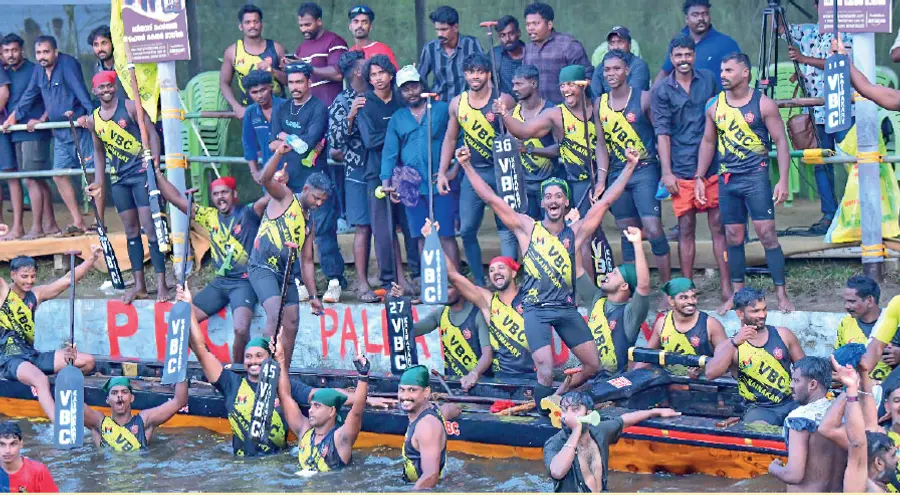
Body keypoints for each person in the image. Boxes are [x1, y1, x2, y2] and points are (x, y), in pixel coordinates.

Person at [453, 144, 640, 411]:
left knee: (592, 364)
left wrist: (631, 166)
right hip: (535, 311)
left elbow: (607, 201)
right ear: (542, 202)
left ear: (566, 202)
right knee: (545, 371)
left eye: (558, 196)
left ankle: (559, 398)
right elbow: (492, 199)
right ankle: (543, 415)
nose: (553, 200)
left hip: (565, 308)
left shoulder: (575, 233)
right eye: (548, 196)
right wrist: (467, 166)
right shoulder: (527, 228)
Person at [695, 53, 794, 314]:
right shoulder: (713, 106)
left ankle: (781, 294)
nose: (723, 75)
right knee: (733, 236)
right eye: (722, 70)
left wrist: (783, 180)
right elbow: (708, 142)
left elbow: (781, 142)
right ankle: (737, 296)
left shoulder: (764, 105)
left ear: (745, 73)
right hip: (728, 180)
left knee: (767, 235)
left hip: (756, 178)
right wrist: (699, 177)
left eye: (728, 70)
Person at [155, 171, 268, 363]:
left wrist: (279, 180)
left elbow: (270, 198)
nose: (220, 197)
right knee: (184, 322)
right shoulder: (209, 216)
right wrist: (157, 173)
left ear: (234, 194)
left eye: (224, 192)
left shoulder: (248, 213)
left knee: (241, 329)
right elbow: (175, 198)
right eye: (215, 194)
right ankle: (210, 362)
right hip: (220, 282)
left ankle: (239, 371)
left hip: (245, 282)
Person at [651, 35, 731, 304]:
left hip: (712, 164)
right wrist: (666, 172)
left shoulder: (708, 79)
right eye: (678, 56)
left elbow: (719, 116)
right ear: (670, 58)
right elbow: (662, 133)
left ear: (694, 55)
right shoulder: (661, 90)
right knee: (685, 228)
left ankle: (726, 285)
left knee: (718, 225)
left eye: (688, 55)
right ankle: (686, 287)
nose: (683, 60)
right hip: (681, 167)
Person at [84, 71, 169, 304]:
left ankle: (162, 283)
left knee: (150, 230)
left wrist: (155, 163)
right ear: (95, 91)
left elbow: (153, 134)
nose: (106, 90)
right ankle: (140, 285)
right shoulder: (94, 120)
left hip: (141, 175)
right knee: (131, 233)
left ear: (115, 87)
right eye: (101, 88)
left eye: (109, 86)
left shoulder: (131, 107)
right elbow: (99, 153)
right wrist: (98, 183)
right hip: (119, 180)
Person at [437, 54, 517, 284]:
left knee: (508, 229)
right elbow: (451, 138)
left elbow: (517, 132)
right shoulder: (457, 103)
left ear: (489, 74)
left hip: (502, 172)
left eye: (480, 71)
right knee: (468, 229)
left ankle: (506, 282)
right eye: (471, 71)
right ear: (464, 74)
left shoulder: (503, 99)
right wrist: (443, 172)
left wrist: (505, 113)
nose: (475, 76)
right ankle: (480, 283)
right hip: (473, 174)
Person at [250, 143, 331, 369]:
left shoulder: (309, 221)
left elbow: (306, 261)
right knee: (275, 314)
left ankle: (282, 372)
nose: (318, 203)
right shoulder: (285, 196)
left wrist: (314, 295)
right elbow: (265, 180)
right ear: (305, 189)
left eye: (322, 201)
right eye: (316, 197)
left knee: (293, 321)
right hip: (262, 267)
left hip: (285, 274)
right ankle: (263, 368)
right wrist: (277, 153)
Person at [3, 35, 94, 235]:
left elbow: (80, 91)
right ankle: (78, 221)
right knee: (58, 175)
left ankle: (99, 222)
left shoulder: (67, 64)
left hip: (79, 129)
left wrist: (90, 116)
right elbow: (30, 95)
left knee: (92, 174)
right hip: (59, 132)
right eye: (39, 53)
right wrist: (13, 118)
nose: (42, 57)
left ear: (55, 52)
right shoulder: (38, 70)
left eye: (46, 52)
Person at [596, 50, 671, 293]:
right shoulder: (599, 103)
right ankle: (633, 288)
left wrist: (666, 171)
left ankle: (667, 287)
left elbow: (661, 134)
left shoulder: (644, 98)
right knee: (627, 232)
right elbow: (601, 144)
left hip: (644, 169)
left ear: (627, 70)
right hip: (618, 174)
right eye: (607, 70)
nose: (611, 74)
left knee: (653, 229)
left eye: (616, 69)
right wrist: (601, 179)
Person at [270, 62, 345, 303]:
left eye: (299, 82)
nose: (295, 87)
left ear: (309, 82)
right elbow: (272, 142)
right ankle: (298, 281)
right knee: (292, 234)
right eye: (291, 82)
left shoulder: (318, 108)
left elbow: (307, 144)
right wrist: (285, 140)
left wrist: (285, 137)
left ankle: (334, 282)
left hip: (315, 183)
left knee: (323, 232)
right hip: (288, 183)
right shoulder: (281, 109)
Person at [0, 249, 101, 420]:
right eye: (24, 276)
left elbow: (68, 279)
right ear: (13, 275)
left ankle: (41, 386)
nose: (29, 281)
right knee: (41, 380)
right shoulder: (3, 293)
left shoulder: (36, 294)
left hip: (32, 355)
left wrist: (91, 259)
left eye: (33, 276)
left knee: (87, 362)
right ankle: (58, 423)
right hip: (11, 359)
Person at [496, 65, 603, 219]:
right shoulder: (556, 114)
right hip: (579, 181)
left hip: (608, 175)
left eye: (571, 84)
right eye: (562, 85)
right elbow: (523, 131)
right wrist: (505, 114)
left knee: (628, 225)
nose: (565, 89)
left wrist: (602, 178)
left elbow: (602, 145)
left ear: (585, 84)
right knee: (584, 229)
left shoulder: (600, 106)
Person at [381, 65, 459, 272]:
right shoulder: (398, 118)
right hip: (411, 185)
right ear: (400, 92)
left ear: (422, 85)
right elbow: (389, 153)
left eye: (414, 86)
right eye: (405, 89)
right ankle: (430, 285)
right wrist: (386, 183)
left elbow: (459, 140)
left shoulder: (440, 109)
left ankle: (457, 285)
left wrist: (454, 170)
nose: (411, 92)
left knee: (446, 234)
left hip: (439, 181)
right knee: (421, 235)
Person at [432, 219, 533, 378]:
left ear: (514, 273)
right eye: (491, 270)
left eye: (501, 267)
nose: (495, 272)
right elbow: (453, 276)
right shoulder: (488, 302)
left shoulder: (529, 295)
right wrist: (433, 239)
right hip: (503, 376)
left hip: (534, 373)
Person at [786, 0, 854, 235]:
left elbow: (842, 63)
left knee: (850, 161)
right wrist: (774, 8)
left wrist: (804, 59)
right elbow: (780, 27)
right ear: (816, 7)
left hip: (843, 107)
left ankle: (855, 214)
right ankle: (829, 214)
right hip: (815, 110)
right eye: (822, 4)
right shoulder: (809, 31)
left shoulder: (849, 30)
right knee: (820, 163)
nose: (828, 8)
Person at [705, 288, 805, 425]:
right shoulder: (729, 345)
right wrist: (734, 343)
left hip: (790, 402)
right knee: (760, 431)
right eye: (755, 311)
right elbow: (710, 373)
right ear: (740, 314)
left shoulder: (784, 334)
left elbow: (805, 369)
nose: (762, 314)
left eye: (764, 309)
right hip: (758, 409)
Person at [357, 56, 414, 295]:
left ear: (391, 74)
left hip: (406, 172)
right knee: (383, 230)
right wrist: (398, 135)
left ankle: (414, 276)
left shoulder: (402, 100)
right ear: (368, 79)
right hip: (376, 174)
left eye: (382, 73)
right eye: (373, 75)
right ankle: (390, 280)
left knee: (410, 226)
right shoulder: (365, 104)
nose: (378, 78)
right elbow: (369, 140)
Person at [543, 391, 679, 492]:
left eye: (575, 410)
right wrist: (576, 430)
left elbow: (623, 420)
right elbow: (557, 472)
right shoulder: (554, 444)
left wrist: (655, 412)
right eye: (564, 411)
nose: (567, 416)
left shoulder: (599, 432)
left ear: (589, 414)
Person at [276, 333, 369, 472]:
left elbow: (356, 412)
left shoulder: (340, 439)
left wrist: (363, 376)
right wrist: (280, 360)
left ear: (332, 411)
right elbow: (285, 396)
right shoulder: (304, 432)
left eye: (317, 406)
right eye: (312, 405)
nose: (310, 410)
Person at [389, 270, 494, 389]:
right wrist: (402, 301)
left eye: (449, 287)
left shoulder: (478, 314)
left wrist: (474, 374)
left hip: (481, 383)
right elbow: (410, 331)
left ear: (461, 289)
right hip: (453, 382)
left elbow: (487, 355)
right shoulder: (441, 313)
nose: (443, 293)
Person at [1, 33, 56, 240]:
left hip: (34, 132)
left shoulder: (35, 70)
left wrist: (42, 118)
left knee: (32, 179)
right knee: (36, 180)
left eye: (14, 50)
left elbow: (49, 97)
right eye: (6, 51)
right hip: (16, 134)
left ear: (22, 51)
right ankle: (49, 225)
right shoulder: (6, 73)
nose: (11, 54)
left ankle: (37, 228)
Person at [329, 51, 374, 302]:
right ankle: (362, 282)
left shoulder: (377, 94)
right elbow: (335, 143)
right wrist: (351, 116)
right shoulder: (342, 101)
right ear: (358, 72)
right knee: (363, 228)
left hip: (381, 168)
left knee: (385, 226)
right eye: (366, 65)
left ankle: (391, 278)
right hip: (357, 171)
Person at [576, 228, 651, 376]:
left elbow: (643, 286)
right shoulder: (595, 298)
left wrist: (637, 244)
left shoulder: (630, 314)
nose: (608, 274)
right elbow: (577, 269)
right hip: (584, 376)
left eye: (614, 273)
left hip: (612, 382)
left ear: (624, 286)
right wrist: (577, 231)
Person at [767, 356, 846, 492]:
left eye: (796, 380)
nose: (791, 385)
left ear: (812, 385)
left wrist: (773, 468)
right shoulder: (841, 413)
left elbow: (794, 475)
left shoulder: (800, 418)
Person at [822, 358, 890, 493]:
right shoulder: (862, 482)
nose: (898, 459)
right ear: (879, 463)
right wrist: (852, 387)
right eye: (894, 455)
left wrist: (859, 379)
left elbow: (870, 429)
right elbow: (860, 441)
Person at [643, 278, 726, 377]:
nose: (691, 301)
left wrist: (702, 373)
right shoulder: (662, 323)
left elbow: (726, 360)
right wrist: (630, 377)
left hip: (703, 386)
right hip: (670, 383)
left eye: (693, 297)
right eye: (683, 297)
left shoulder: (711, 324)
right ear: (671, 300)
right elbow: (646, 356)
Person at [83, 377, 188, 451]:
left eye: (124, 392)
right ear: (107, 400)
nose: (119, 395)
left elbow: (179, 401)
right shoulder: (98, 423)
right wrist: (67, 366)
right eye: (114, 393)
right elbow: (72, 402)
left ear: (132, 398)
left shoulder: (144, 421)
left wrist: (180, 367)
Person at [508, 64, 558, 220]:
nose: (514, 88)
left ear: (534, 84)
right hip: (524, 186)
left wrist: (530, 150)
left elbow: (560, 148)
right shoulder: (512, 113)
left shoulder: (552, 111)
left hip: (549, 184)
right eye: (513, 84)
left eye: (519, 84)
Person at [220, 4, 286, 119]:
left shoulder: (277, 48)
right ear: (241, 26)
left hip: (280, 111)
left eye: (255, 21)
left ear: (262, 24)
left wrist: (272, 71)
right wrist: (236, 107)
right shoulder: (232, 52)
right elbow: (224, 83)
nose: (252, 26)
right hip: (249, 112)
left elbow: (289, 80)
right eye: (248, 22)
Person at [522, 2, 592, 105]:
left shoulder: (568, 45)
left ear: (549, 24)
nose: (530, 28)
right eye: (528, 24)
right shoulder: (527, 49)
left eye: (536, 24)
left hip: (567, 111)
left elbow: (587, 77)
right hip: (537, 113)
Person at [655, 0, 741, 83]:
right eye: (695, 15)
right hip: (682, 97)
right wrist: (651, 95)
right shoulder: (678, 42)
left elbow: (740, 77)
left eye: (705, 14)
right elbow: (665, 72)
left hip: (717, 97)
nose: (701, 18)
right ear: (687, 19)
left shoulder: (726, 44)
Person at [417, 5, 484, 103]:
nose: (439, 34)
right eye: (437, 30)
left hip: (468, 104)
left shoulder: (471, 44)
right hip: (440, 104)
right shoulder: (430, 48)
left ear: (455, 28)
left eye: (444, 30)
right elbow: (420, 77)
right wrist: (429, 97)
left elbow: (485, 73)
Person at [398, 365, 447, 490]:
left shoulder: (426, 426)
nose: (405, 396)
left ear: (426, 392)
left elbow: (430, 476)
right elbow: (450, 409)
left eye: (412, 390)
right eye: (402, 390)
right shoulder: (433, 410)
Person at [837, 276, 895, 381]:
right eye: (845, 301)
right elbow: (837, 361)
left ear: (870, 300)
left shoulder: (894, 322)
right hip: (855, 387)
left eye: (852, 301)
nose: (846, 306)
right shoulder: (845, 324)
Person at [293, 2, 348, 106]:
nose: (304, 29)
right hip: (308, 110)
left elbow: (338, 74)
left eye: (308, 25)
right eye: (301, 25)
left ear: (318, 21)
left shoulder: (335, 41)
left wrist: (308, 68)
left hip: (331, 108)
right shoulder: (301, 48)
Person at [241, 70, 285, 184]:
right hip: (269, 174)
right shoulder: (250, 112)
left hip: (293, 171)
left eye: (263, 90)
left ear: (270, 87)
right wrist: (255, 172)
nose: (259, 96)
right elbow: (248, 144)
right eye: (254, 92)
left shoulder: (287, 107)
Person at [589, 26, 650, 97]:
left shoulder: (639, 66)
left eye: (620, 42)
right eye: (612, 43)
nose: (616, 47)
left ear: (629, 45)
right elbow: (594, 97)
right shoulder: (601, 67)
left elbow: (633, 98)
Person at [0, 422, 58, 493]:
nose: (7, 450)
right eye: (2, 444)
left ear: (21, 444)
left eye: (13, 444)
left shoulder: (39, 472)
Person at [87, 25, 126, 100]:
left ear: (112, 43)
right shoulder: (97, 68)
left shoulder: (126, 65)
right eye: (96, 45)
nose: (100, 48)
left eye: (104, 43)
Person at [492, 16, 525, 97]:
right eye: (503, 35)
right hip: (506, 106)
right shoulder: (494, 55)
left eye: (511, 33)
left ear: (519, 33)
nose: (507, 39)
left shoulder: (531, 53)